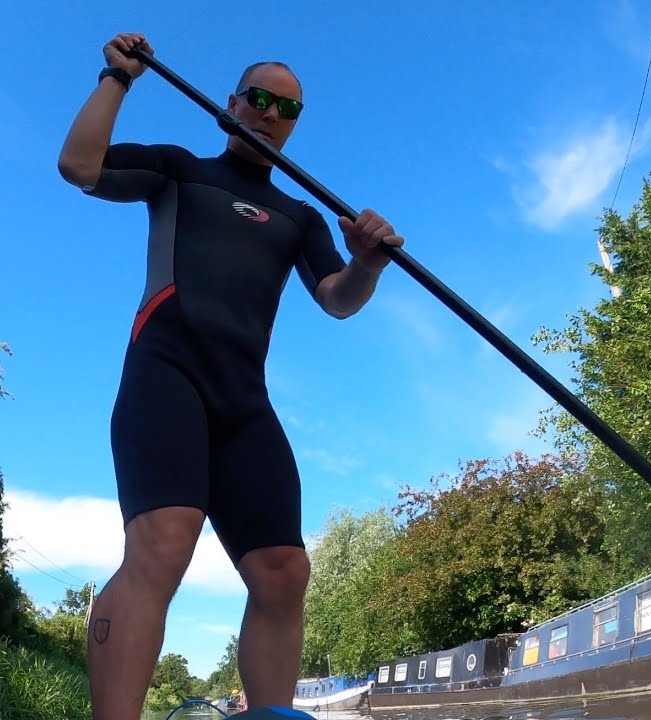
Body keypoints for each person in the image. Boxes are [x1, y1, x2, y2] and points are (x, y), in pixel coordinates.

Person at [56, 32, 405, 720]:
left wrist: (366, 263)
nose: (271, 112)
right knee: (164, 541)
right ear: (233, 104)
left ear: (293, 122)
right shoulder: (180, 169)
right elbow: (80, 165)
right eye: (260, 98)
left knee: (284, 572)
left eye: (287, 107)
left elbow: (335, 298)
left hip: (243, 401)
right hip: (167, 373)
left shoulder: (300, 215)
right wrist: (117, 78)